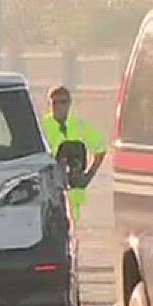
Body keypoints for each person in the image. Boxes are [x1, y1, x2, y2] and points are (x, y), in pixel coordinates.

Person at [42, 85, 107, 225]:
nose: (59, 107)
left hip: (75, 195)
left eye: (63, 102)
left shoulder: (80, 125)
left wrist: (89, 175)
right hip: (51, 194)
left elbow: (100, 149)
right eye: (55, 103)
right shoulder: (42, 127)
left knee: (72, 233)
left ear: (70, 103)